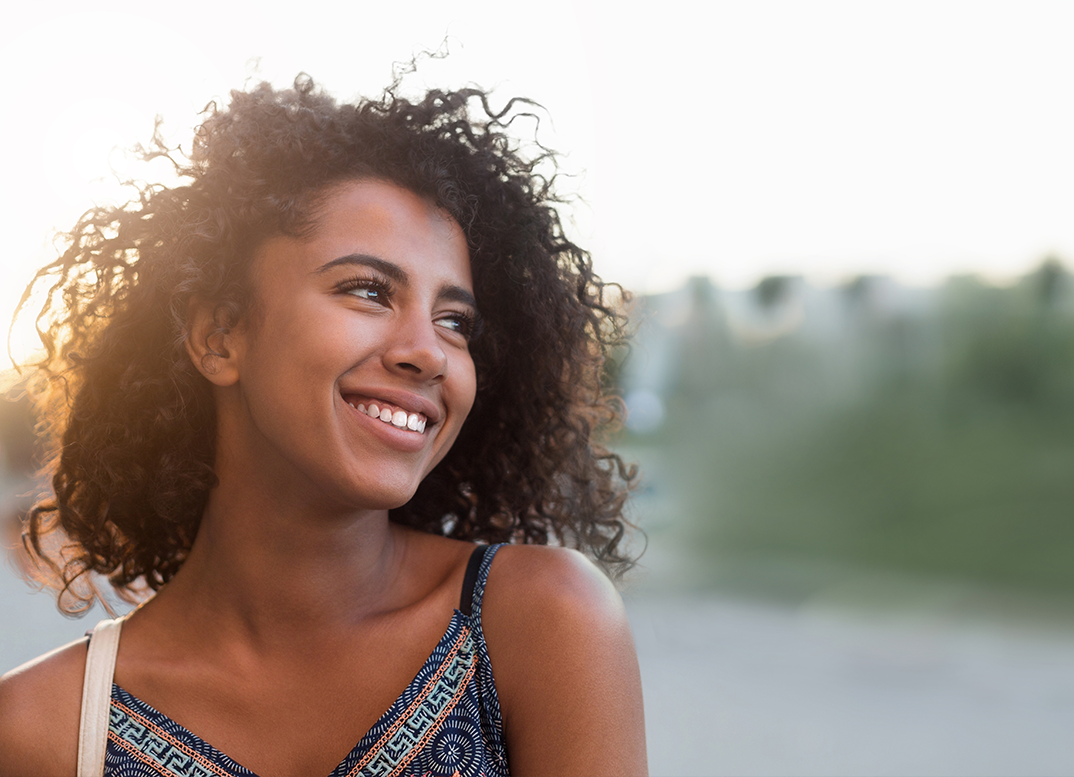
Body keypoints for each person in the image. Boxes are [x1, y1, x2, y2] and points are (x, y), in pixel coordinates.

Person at [0, 74, 646, 776]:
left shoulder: (540, 622)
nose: (428, 351)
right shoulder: (43, 729)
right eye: (368, 290)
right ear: (220, 334)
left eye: (454, 320)